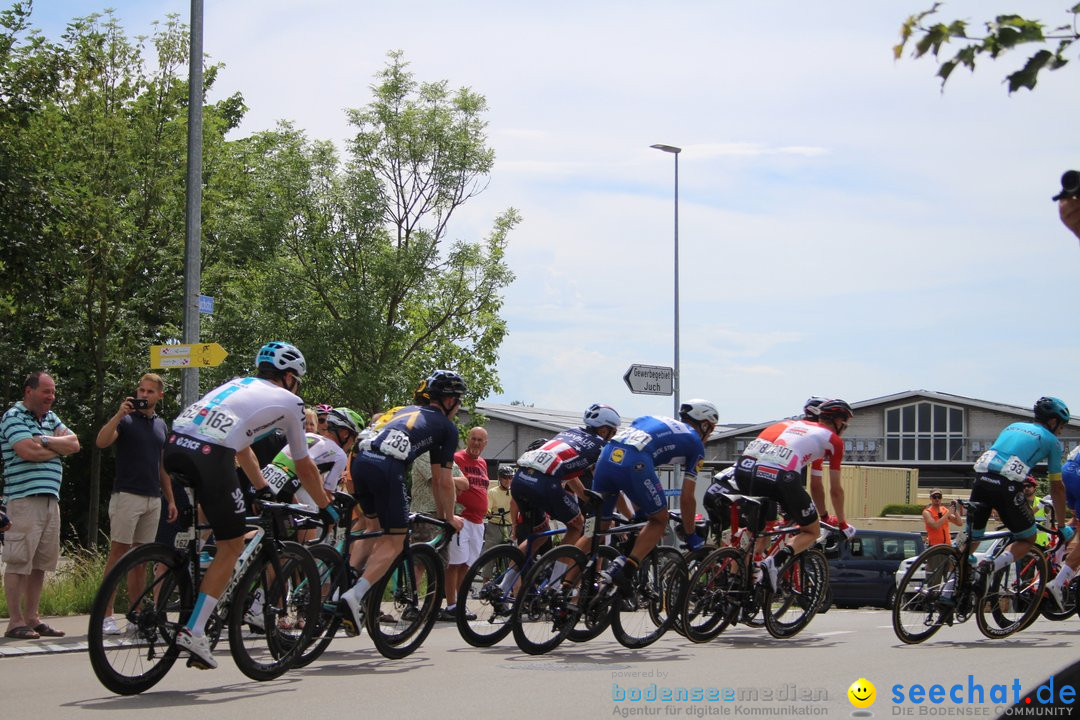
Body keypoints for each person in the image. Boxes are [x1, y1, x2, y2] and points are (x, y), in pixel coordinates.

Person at [164, 341, 339, 669]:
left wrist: (262, 488)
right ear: (289, 378)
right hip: (208, 454)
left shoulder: (236, 384)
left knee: (206, 531)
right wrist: (324, 505)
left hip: (175, 445)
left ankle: (185, 569)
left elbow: (243, 449)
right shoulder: (291, 402)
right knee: (231, 546)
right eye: (297, 380)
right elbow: (303, 464)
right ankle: (195, 629)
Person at [337, 370, 466, 633]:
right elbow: (442, 481)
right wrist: (449, 518)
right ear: (449, 400)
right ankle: (354, 596)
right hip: (387, 466)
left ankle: (343, 585)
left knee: (372, 530)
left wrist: (443, 517)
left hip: (359, 460)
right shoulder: (446, 427)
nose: (459, 406)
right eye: (459, 400)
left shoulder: (398, 409)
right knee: (396, 540)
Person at [593, 400, 717, 594]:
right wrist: (691, 533)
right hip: (634, 463)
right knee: (660, 520)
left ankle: (564, 586)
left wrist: (641, 509)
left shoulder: (652, 419)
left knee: (595, 530)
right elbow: (687, 497)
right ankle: (625, 572)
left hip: (606, 458)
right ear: (705, 425)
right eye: (711, 429)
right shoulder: (695, 444)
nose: (709, 435)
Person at [733, 398, 857, 590]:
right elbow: (835, 489)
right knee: (811, 530)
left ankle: (737, 586)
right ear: (838, 422)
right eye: (846, 425)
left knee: (757, 532)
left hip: (756, 473)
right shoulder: (834, 441)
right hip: (784, 478)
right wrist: (842, 523)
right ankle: (774, 562)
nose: (844, 429)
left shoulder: (796, 424)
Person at [969, 396, 1072, 609]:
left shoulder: (1013, 426)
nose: (1061, 431)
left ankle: (951, 588)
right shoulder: (1052, 442)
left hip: (980, 480)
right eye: (1061, 425)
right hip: (1005, 485)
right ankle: (990, 566)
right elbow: (1057, 487)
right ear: (1052, 422)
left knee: (971, 538)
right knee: (1028, 537)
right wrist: (1062, 526)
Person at [94, 373, 178, 635]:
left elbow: (162, 466)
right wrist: (119, 414)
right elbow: (102, 441)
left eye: (150, 391)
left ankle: (137, 614)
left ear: (159, 396)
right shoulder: (127, 420)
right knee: (118, 553)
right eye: (141, 390)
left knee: (141, 558)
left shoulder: (161, 425)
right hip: (127, 495)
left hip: (153, 498)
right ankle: (105, 615)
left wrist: (171, 499)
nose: (143, 395)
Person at [0, 372, 80, 640]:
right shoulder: (13, 417)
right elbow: (27, 451)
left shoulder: (50, 418)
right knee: (19, 561)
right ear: (28, 392)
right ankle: (15, 621)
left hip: (50, 499)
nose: (51, 397)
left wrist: (44, 440)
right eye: (46, 391)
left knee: (40, 564)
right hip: (23, 499)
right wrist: (57, 449)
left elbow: (75, 443)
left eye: (53, 392)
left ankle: (33, 618)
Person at [512, 403, 621, 555]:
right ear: (604, 430)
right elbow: (608, 483)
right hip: (545, 483)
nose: (613, 436)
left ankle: (508, 578)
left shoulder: (569, 432)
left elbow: (570, 475)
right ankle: (559, 577)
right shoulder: (602, 447)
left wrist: (585, 497)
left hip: (519, 478)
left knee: (539, 536)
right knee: (577, 525)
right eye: (613, 432)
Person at [443, 426, 489, 620]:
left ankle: (461, 604)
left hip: (479, 522)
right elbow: (445, 479)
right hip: (462, 518)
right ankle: (452, 604)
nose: (476, 443)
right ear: (467, 439)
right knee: (455, 563)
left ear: (485, 444)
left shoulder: (483, 463)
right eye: (473, 438)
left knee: (467, 565)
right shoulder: (457, 458)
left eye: (480, 440)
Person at [485, 464, 515, 548]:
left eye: (510, 478)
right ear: (500, 478)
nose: (508, 480)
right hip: (495, 526)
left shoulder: (515, 492)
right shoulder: (492, 492)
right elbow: (488, 507)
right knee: (490, 551)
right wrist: (488, 512)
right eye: (505, 477)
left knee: (512, 552)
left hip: (511, 526)